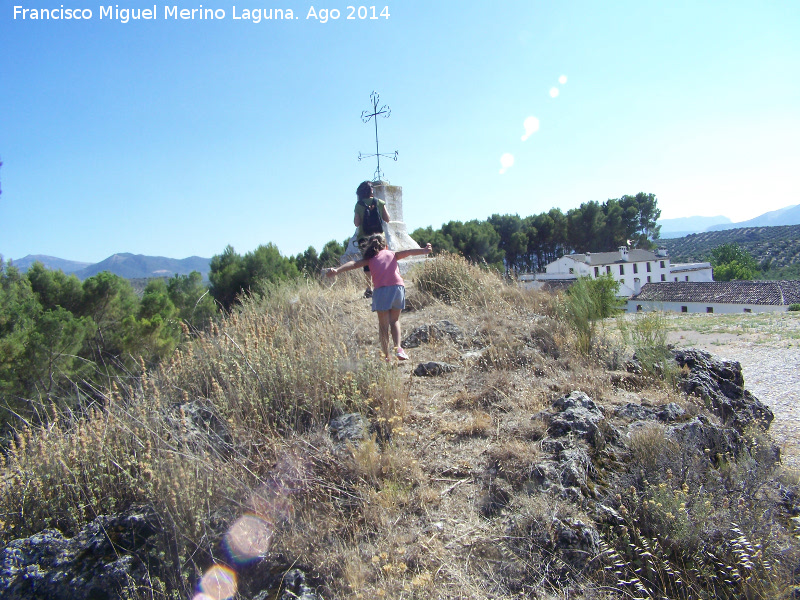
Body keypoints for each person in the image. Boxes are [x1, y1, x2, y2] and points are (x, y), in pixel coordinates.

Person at [326, 233, 432, 361]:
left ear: (370, 247)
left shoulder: (370, 259)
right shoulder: (392, 254)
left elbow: (354, 264)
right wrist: (424, 250)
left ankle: (386, 355)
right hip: (397, 289)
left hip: (381, 291)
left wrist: (337, 270)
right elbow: (409, 252)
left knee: (383, 326)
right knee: (395, 321)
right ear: (385, 246)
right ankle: (398, 348)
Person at [353, 181, 390, 298]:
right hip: (379, 237)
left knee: (367, 263)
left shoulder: (359, 205)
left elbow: (356, 223)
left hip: (364, 238)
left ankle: (369, 289)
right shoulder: (379, 202)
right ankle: (384, 285)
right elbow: (387, 219)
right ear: (371, 191)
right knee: (383, 260)